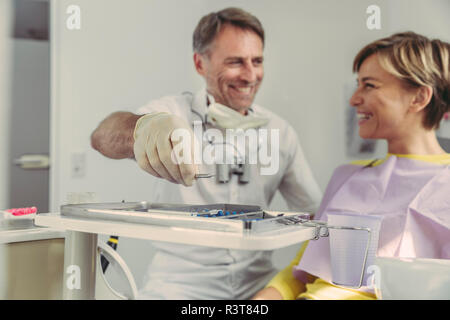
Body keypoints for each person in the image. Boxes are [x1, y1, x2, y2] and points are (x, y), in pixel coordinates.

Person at [90, 7, 322, 299]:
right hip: (179, 286)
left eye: (257, 61)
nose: (250, 75)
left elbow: (316, 212)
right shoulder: (172, 112)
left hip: (258, 287)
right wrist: (142, 128)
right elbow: (101, 136)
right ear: (200, 64)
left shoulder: (281, 132)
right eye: (236, 62)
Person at [253, 31, 450, 300]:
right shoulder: (347, 176)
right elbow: (300, 272)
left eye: (369, 85)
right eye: (358, 84)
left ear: (419, 98)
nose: (354, 99)